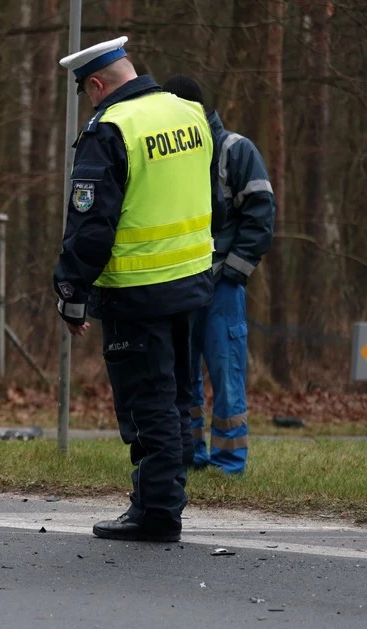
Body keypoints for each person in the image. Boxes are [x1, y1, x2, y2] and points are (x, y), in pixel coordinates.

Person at [54, 37, 221, 542]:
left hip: (138, 289)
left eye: (88, 92)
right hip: (192, 282)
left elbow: (92, 225)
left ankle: (157, 511)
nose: (91, 101)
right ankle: (165, 500)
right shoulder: (190, 113)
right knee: (178, 399)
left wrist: (70, 289)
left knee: (148, 405)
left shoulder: (110, 128)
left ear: (98, 84)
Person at [163, 74, 276, 476]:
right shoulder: (175, 156)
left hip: (221, 286)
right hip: (183, 283)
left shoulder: (235, 150)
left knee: (226, 373)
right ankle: (190, 453)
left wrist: (232, 273)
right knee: (183, 372)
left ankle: (229, 462)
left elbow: (261, 215)